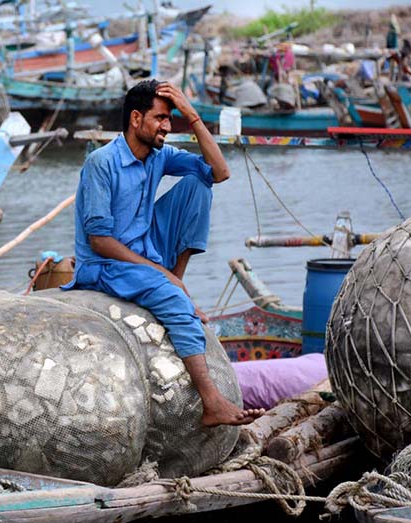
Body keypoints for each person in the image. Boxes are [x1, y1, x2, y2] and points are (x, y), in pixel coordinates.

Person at [63, 79, 264, 427]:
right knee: (172, 298)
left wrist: (194, 117)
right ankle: (212, 402)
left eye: (172, 119)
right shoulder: (102, 162)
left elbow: (220, 172)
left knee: (198, 185)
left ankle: (174, 287)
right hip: (105, 264)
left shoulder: (158, 156)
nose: (168, 127)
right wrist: (164, 276)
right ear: (136, 119)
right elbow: (99, 240)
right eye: (161, 118)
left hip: (145, 249)